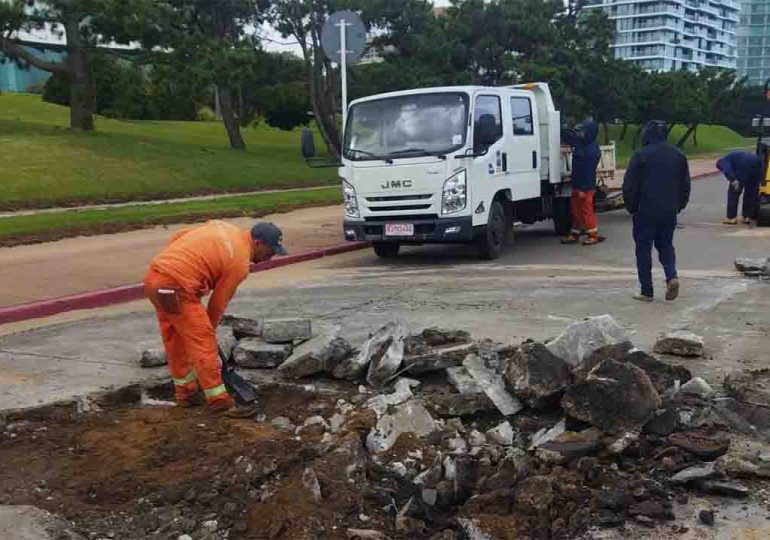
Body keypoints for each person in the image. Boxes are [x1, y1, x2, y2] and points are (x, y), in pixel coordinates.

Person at [143, 220, 286, 413]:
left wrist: (176, 264)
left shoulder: (223, 228)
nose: (269, 258)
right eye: (270, 252)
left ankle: (186, 393)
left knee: (175, 338)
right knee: (203, 342)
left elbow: (180, 235)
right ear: (258, 243)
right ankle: (219, 400)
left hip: (156, 278)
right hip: (178, 286)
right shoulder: (239, 262)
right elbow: (218, 303)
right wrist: (207, 330)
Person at [623, 121, 691, 302]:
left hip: (645, 210)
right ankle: (671, 276)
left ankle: (647, 291)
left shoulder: (641, 156)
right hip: (669, 210)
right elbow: (685, 185)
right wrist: (680, 205)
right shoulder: (678, 155)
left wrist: (631, 207)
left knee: (643, 249)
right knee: (666, 245)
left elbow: (629, 186)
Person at [561, 119, 604, 245]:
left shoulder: (591, 150)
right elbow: (567, 135)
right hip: (577, 183)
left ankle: (593, 234)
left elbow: (588, 172)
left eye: (583, 130)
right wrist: (565, 127)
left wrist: (582, 189)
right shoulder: (581, 143)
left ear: (589, 132)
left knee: (586, 210)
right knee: (576, 210)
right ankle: (575, 233)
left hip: (585, 186)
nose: (580, 133)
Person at [715, 150, 763, 225]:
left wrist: (733, 180)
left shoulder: (724, 161)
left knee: (733, 193)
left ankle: (731, 218)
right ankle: (747, 216)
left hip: (743, 165)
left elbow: (727, 170)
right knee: (751, 192)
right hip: (756, 161)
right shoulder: (734, 156)